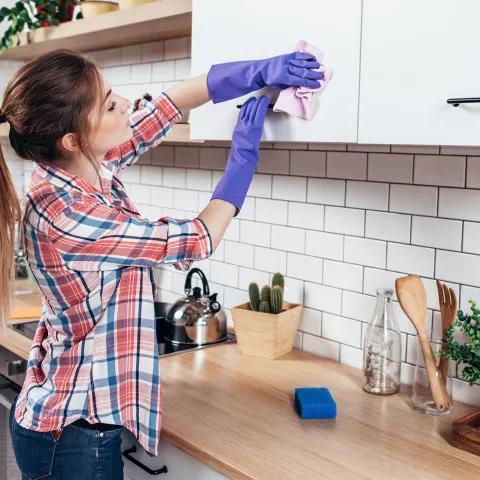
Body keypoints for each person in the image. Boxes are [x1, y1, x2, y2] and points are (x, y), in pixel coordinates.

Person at [0, 48, 323, 479]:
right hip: (73, 434)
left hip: (71, 421)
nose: (126, 105)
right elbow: (196, 239)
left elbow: (169, 103)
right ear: (73, 139)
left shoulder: (80, 165)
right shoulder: (68, 214)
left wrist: (257, 71)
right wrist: (243, 158)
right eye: (111, 104)